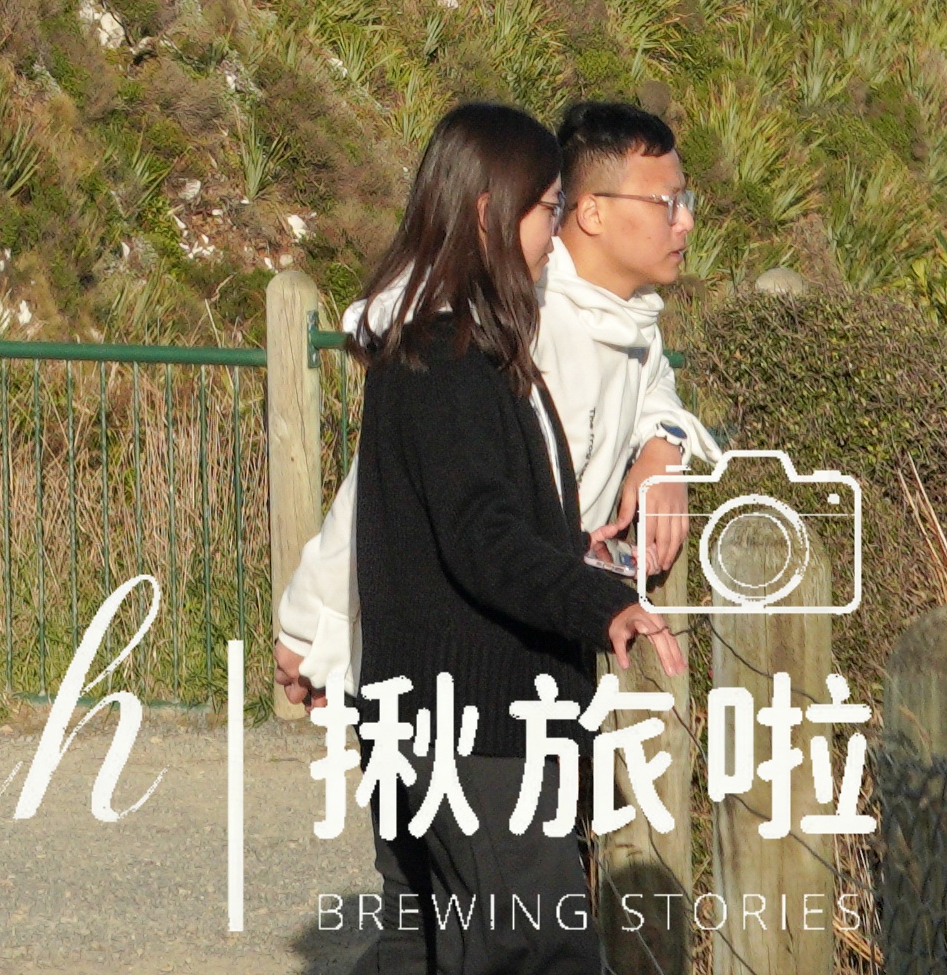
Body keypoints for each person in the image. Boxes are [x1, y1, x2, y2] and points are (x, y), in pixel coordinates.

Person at [335, 100, 685, 975]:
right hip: (478, 722)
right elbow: (482, 536)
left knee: (421, 944)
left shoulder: (447, 344)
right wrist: (603, 600)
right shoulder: (447, 358)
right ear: (493, 213)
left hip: (426, 713)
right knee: (542, 951)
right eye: (546, 209)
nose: (556, 229)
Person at [275, 95, 712, 710]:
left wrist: (663, 447)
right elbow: (388, 485)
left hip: (546, 644)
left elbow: (652, 372)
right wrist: (313, 628)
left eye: (684, 202)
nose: (685, 221)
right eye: (666, 203)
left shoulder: (630, 317)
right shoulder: (515, 320)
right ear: (588, 211)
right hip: (472, 663)